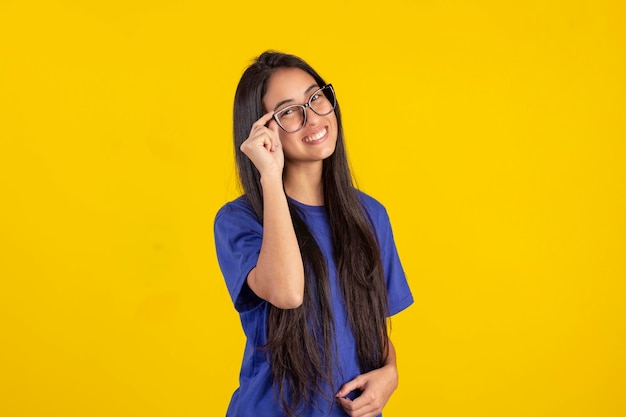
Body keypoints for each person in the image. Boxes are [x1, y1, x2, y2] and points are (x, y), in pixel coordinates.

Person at [214, 51, 413, 417]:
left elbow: (370, 324)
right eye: (289, 111)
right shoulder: (239, 220)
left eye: (315, 97)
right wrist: (270, 178)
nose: (312, 118)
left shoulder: (370, 214)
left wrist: (390, 373)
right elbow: (288, 292)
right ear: (261, 129)